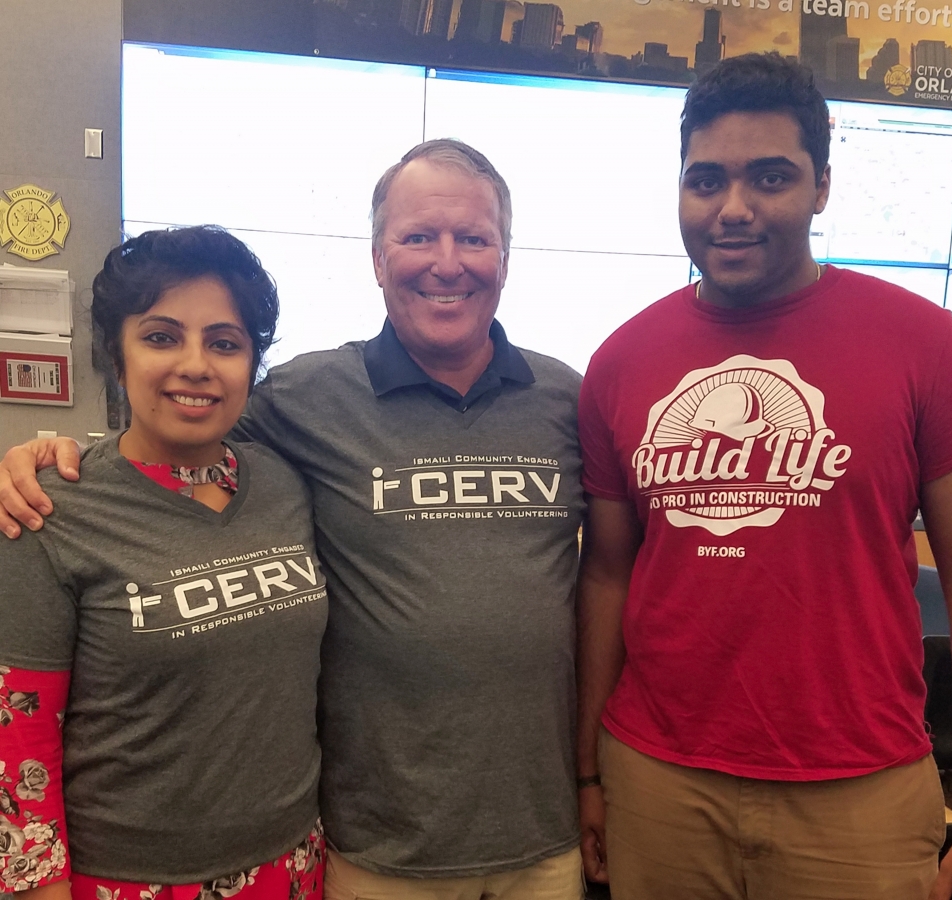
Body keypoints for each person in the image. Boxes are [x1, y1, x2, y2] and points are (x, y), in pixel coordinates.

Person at [0, 141, 586, 899]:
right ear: (378, 258)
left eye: (474, 238)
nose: (448, 262)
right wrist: (47, 456)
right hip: (363, 849)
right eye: (417, 237)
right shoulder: (305, 399)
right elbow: (159, 445)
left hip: (490, 841)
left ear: (505, 257)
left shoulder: (568, 399)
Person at [574, 53, 952, 900]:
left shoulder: (922, 344)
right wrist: (588, 777)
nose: (734, 209)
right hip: (658, 784)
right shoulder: (619, 361)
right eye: (705, 181)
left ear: (822, 186)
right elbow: (605, 575)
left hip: (859, 793)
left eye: (771, 178)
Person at [0, 226, 327, 898]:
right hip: (131, 880)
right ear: (116, 358)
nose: (196, 364)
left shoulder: (287, 486)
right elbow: (18, 735)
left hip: (291, 862)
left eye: (225, 343)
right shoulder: (49, 510)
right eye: (161, 336)